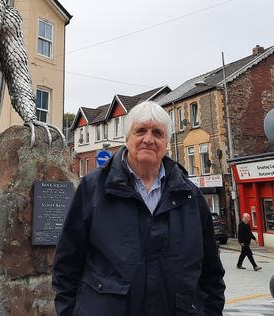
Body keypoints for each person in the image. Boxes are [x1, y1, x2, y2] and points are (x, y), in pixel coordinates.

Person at [52, 101, 225, 316]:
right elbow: (67, 263)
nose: (148, 139)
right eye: (140, 131)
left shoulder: (190, 195)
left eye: (157, 133)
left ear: (167, 143)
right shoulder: (93, 188)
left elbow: (211, 274)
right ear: (127, 138)